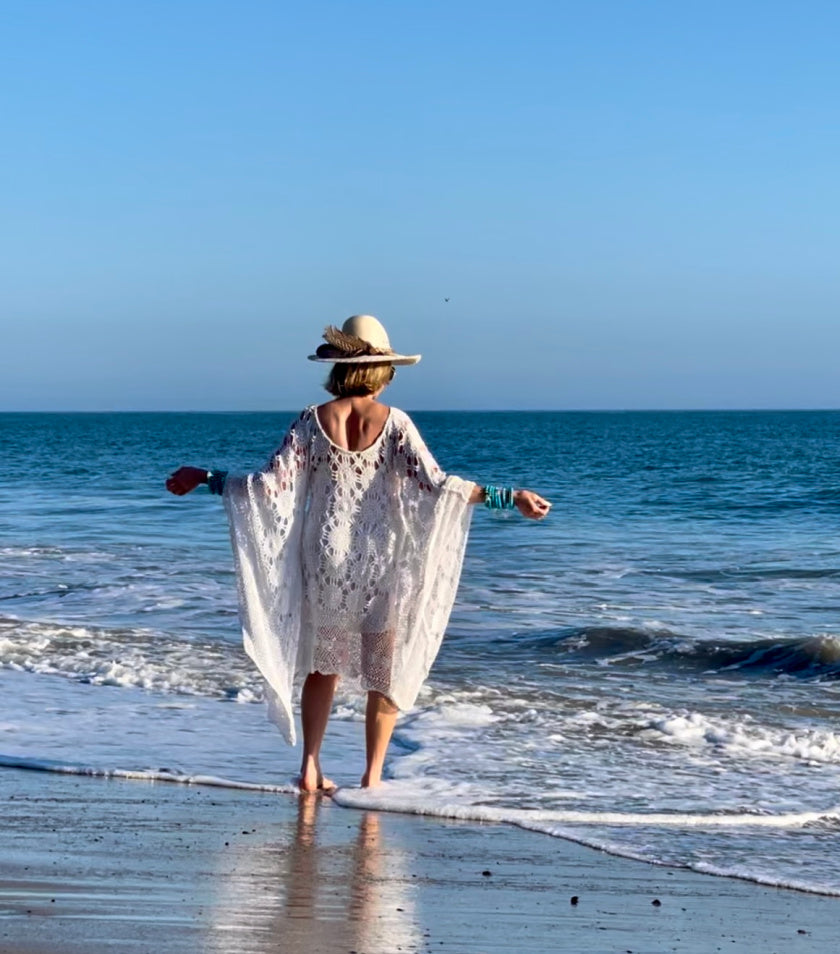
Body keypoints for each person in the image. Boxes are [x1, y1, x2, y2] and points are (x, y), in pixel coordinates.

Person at [166, 315, 550, 792]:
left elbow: (268, 488)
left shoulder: (312, 420)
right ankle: (372, 777)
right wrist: (508, 496)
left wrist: (206, 477)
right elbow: (437, 487)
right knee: (382, 667)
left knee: (323, 663)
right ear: (381, 370)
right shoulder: (395, 424)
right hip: (380, 558)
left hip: (326, 556)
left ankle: (310, 766)